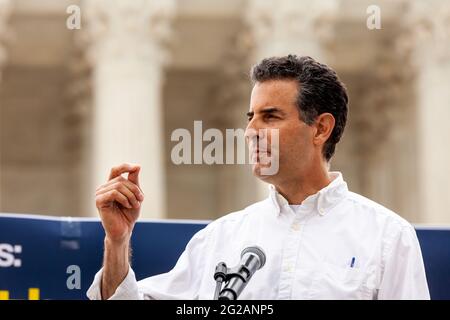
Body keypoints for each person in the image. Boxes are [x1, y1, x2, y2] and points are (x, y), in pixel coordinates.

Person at [87, 55, 430, 300]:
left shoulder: (387, 238)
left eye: (270, 116)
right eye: (250, 116)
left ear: (321, 128)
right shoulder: (219, 239)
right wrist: (117, 243)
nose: (250, 131)